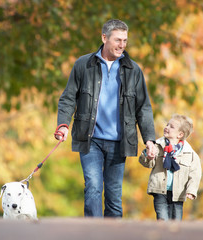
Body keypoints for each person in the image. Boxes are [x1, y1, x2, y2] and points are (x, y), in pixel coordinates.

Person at [55, 19, 156, 217]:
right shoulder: (84, 65)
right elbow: (68, 98)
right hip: (90, 139)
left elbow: (143, 108)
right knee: (93, 188)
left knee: (114, 197)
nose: (122, 45)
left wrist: (149, 139)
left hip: (120, 142)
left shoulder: (133, 70)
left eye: (125, 41)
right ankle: (94, 234)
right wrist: (63, 125)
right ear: (104, 38)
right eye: (118, 40)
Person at [139, 114, 202, 221]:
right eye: (167, 124)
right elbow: (147, 163)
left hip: (178, 193)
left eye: (171, 127)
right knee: (162, 218)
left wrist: (191, 190)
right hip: (159, 190)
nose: (166, 127)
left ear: (180, 134)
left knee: (176, 220)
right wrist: (147, 155)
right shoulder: (157, 146)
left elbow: (195, 173)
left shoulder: (190, 153)